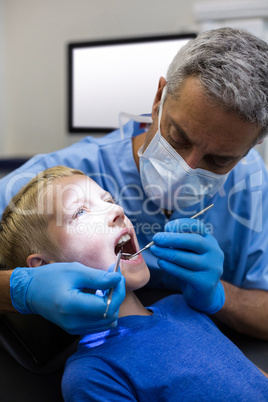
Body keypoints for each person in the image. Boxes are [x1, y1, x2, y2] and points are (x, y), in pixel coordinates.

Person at [0, 27, 268, 338]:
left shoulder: (250, 179)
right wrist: (18, 291)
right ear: (159, 99)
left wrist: (219, 295)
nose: (187, 167)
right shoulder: (58, 179)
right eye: (179, 137)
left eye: (219, 160)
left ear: (247, 151)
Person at [0, 166, 267, 401]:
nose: (116, 210)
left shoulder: (182, 306)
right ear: (45, 269)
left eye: (109, 199)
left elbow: (253, 379)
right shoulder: (93, 373)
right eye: (80, 212)